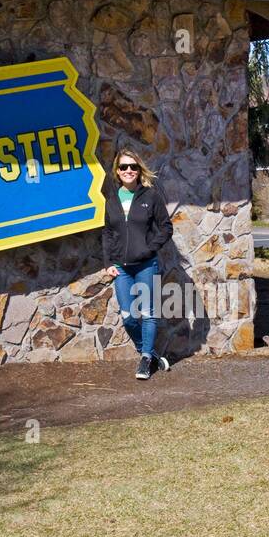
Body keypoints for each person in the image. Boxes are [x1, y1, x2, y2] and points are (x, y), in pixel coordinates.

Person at [101, 147, 174, 380]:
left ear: (139, 169)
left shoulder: (150, 196)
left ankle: (144, 361)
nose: (129, 170)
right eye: (124, 167)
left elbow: (166, 227)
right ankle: (150, 352)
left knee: (148, 313)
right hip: (121, 268)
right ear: (117, 171)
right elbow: (108, 233)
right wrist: (108, 262)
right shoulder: (111, 199)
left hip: (145, 265)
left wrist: (149, 248)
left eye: (133, 166)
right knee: (128, 316)